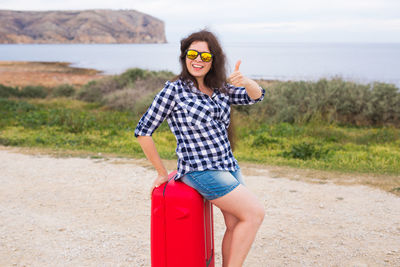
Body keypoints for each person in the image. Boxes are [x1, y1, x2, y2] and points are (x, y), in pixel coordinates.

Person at [134, 30, 265, 267]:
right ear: (184, 57)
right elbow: (143, 131)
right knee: (255, 213)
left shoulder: (220, 89)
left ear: (213, 60)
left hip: (228, 165)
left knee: (236, 224)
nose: (198, 60)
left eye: (205, 56)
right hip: (200, 170)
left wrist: (246, 82)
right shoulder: (174, 90)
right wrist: (162, 172)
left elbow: (255, 97)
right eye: (192, 54)